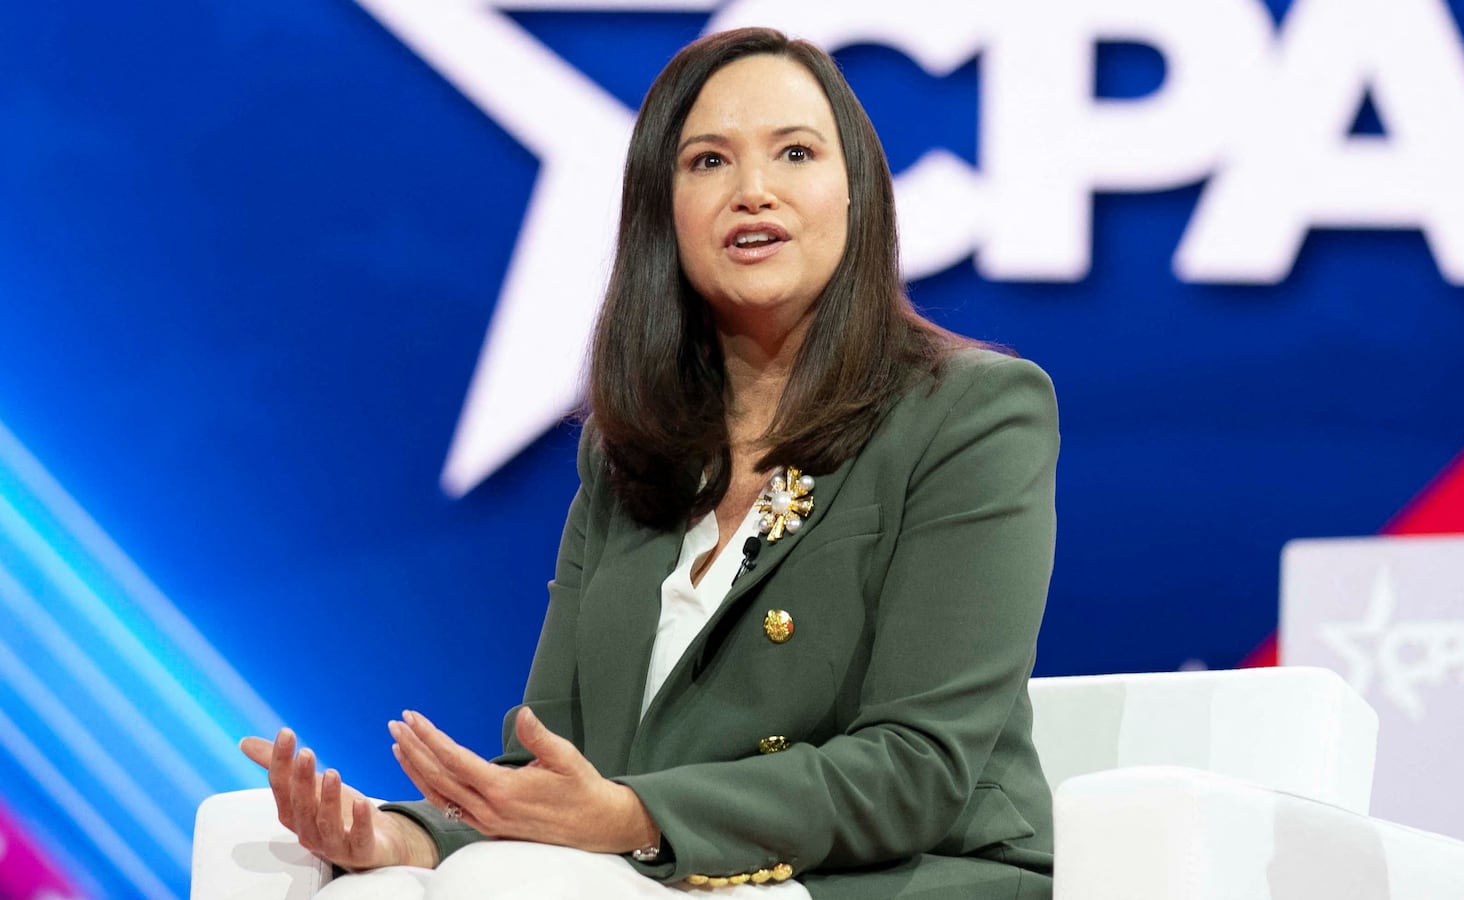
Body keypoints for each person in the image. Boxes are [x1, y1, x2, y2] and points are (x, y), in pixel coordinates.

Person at [240, 26, 1059, 900]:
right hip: (663, 875)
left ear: (857, 194)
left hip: (898, 878)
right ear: (661, 212)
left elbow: (918, 768)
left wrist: (633, 817)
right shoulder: (631, 447)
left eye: (795, 153)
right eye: (708, 162)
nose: (753, 192)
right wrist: (398, 836)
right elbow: (552, 764)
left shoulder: (971, 412)